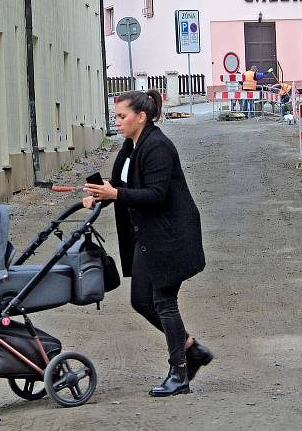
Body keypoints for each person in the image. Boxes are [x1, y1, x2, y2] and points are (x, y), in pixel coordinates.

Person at [82, 89, 213, 397]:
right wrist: (99, 194)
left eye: (122, 117)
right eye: (115, 117)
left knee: (164, 302)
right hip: (147, 237)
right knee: (141, 301)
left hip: (171, 236)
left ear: (141, 117)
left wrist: (114, 194)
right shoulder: (130, 146)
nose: (117, 122)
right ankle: (192, 350)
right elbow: (120, 184)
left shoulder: (157, 147)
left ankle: (179, 373)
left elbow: (156, 194)